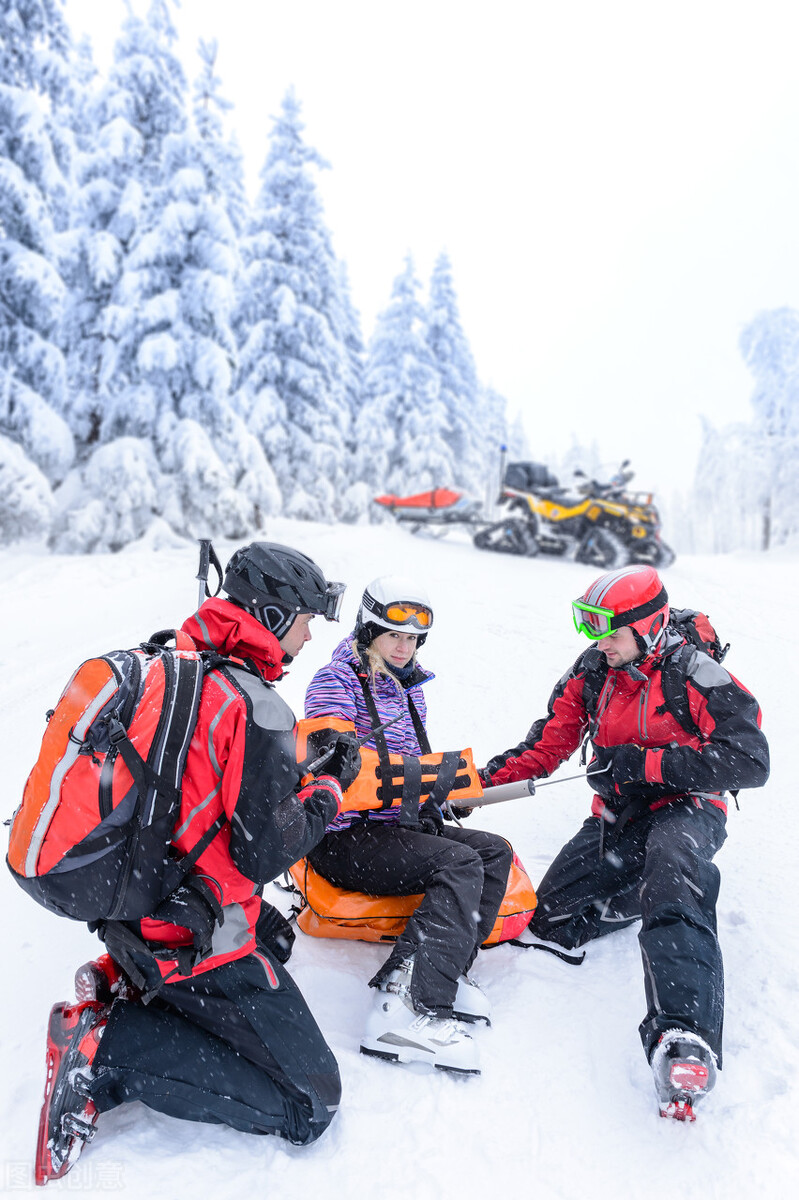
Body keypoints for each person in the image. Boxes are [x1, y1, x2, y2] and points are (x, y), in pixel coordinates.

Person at [35, 542, 362, 1183]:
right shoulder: (256, 705)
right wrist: (327, 789)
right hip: (194, 931)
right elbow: (266, 851)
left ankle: (128, 978)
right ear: (271, 617)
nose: (308, 636)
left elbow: (197, 783)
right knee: (310, 1103)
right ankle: (107, 1052)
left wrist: (290, 772)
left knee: (277, 936)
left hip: (140, 898)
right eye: (303, 620)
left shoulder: (177, 663)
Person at [481, 565, 769, 1119]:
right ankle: (646, 898)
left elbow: (750, 760)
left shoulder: (695, 672)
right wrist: (476, 786)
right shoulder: (593, 670)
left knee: (672, 866)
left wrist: (648, 764)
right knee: (551, 918)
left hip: (688, 807)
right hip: (619, 814)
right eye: (592, 630)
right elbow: (546, 745)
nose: (598, 643)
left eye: (609, 631)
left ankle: (685, 1036)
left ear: (648, 626)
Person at [304, 576, 513, 1076]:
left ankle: (443, 964)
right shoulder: (334, 682)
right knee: (460, 863)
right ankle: (407, 1008)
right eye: (393, 636)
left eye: (414, 638)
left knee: (493, 853)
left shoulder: (409, 690)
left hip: (394, 824)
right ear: (368, 631)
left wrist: (440, 793)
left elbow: (407, 771)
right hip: (344, 836)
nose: (405, 647)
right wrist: (415, 780)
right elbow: (339, 767)